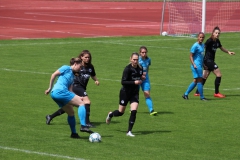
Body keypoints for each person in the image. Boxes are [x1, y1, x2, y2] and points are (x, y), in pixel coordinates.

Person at [45, 50, 100, 128]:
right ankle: (86, 123)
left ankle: (50, 116)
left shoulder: (90, 67)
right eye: (86, 57)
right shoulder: (77, 66)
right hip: (76, 86)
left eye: (89, 57)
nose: (87, 59)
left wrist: (96, 80)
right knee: (87, 102)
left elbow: (93, 75)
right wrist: (50, 88)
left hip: (81, 87)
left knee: (69, 106)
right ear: (81, 57)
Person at [106, 52, 144, 137]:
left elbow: (139, 77)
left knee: (134, 111)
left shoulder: (140, 68)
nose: (135, 61)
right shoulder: (127, 69)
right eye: (134, 59)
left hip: (134, 93)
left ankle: (129, 131)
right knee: (120, 112)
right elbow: (123, 82)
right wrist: (134, 82)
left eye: (137, 59)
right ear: (130, 59)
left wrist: (141, 79)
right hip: (125, 92)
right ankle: (110, 115)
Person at [194, 26, 235, 98]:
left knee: (204, 76)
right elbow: (203, 47)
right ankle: (216, 93)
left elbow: (221, 48)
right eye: (216, 33)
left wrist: (228, 52)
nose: (217, 34)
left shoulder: (217, 41)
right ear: (213, 33)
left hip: (210, 61)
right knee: (219, 75)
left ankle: (197, 92)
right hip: (208, 61)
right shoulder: (209, 40)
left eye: (218, 33)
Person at [182, 32, 207, 101]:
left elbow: (201, 56)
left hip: (200, 65)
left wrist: (204, 64)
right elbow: (190, 56)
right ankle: (202, 97)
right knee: (200, 80)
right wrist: (194, 64)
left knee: (195, 81)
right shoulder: (195, 46)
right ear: (198, 37)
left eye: (202, 37)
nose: (201, 38)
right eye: (200, 37)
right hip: (196, 65)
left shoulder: (202, 45)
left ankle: (185, 94)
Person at [138, 46, 157, 116]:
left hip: (145, 79)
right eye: (142, 52)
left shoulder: (148, 59)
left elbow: (148, 68)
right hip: (137, 79)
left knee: (147, 94)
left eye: (145, 52)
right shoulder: (137, 60)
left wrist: (145, 75)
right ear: (140, 53)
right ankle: (132, 109)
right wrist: (140, 75)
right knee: (135, 94)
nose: (144, 54)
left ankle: (151, 110)